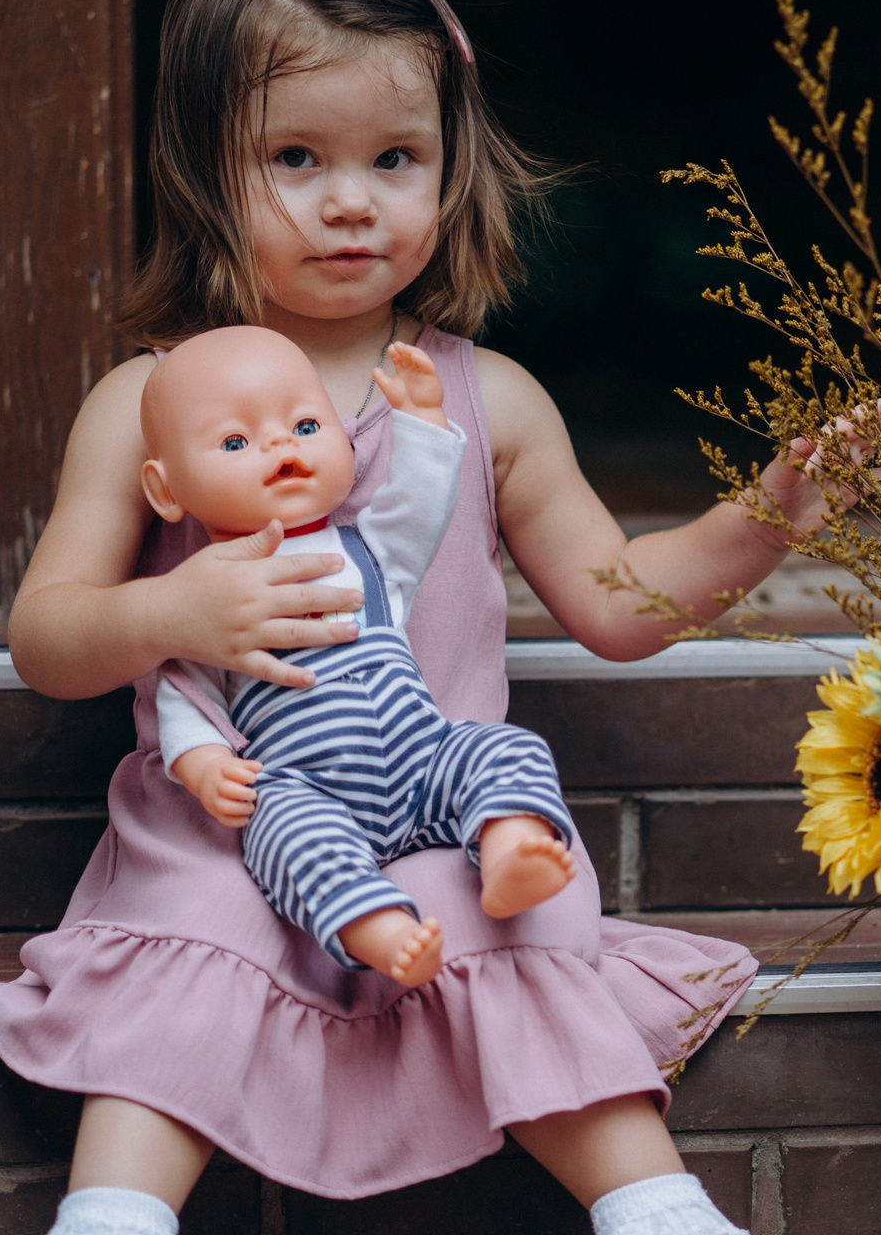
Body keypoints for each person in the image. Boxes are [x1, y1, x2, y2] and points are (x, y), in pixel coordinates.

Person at [0, 0, 881, 1235]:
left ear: (448, 168)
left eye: (393, 161)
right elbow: (45, 634)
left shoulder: (493, 399)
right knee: (200, 926)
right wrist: (175, 615)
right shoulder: (145, 401)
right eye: (297, 159)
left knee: (514, 908)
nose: (352, 204)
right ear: (206, 167)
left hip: (433, 823)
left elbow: (619, 604)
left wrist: (769, 515)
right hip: (232, 820)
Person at [141, 325, 577, 989]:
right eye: (236, 442)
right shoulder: (206, 591)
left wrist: (425, 420)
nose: (282, 444)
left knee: (503, 747)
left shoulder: (372, 550)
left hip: (423, 758)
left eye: (307, 424)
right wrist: (204, 766)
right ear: (167, 490)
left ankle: (510, 846)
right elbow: (186, 689)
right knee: (283, 833)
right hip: (307, 785)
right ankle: (381, 929)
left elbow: (420, 503)